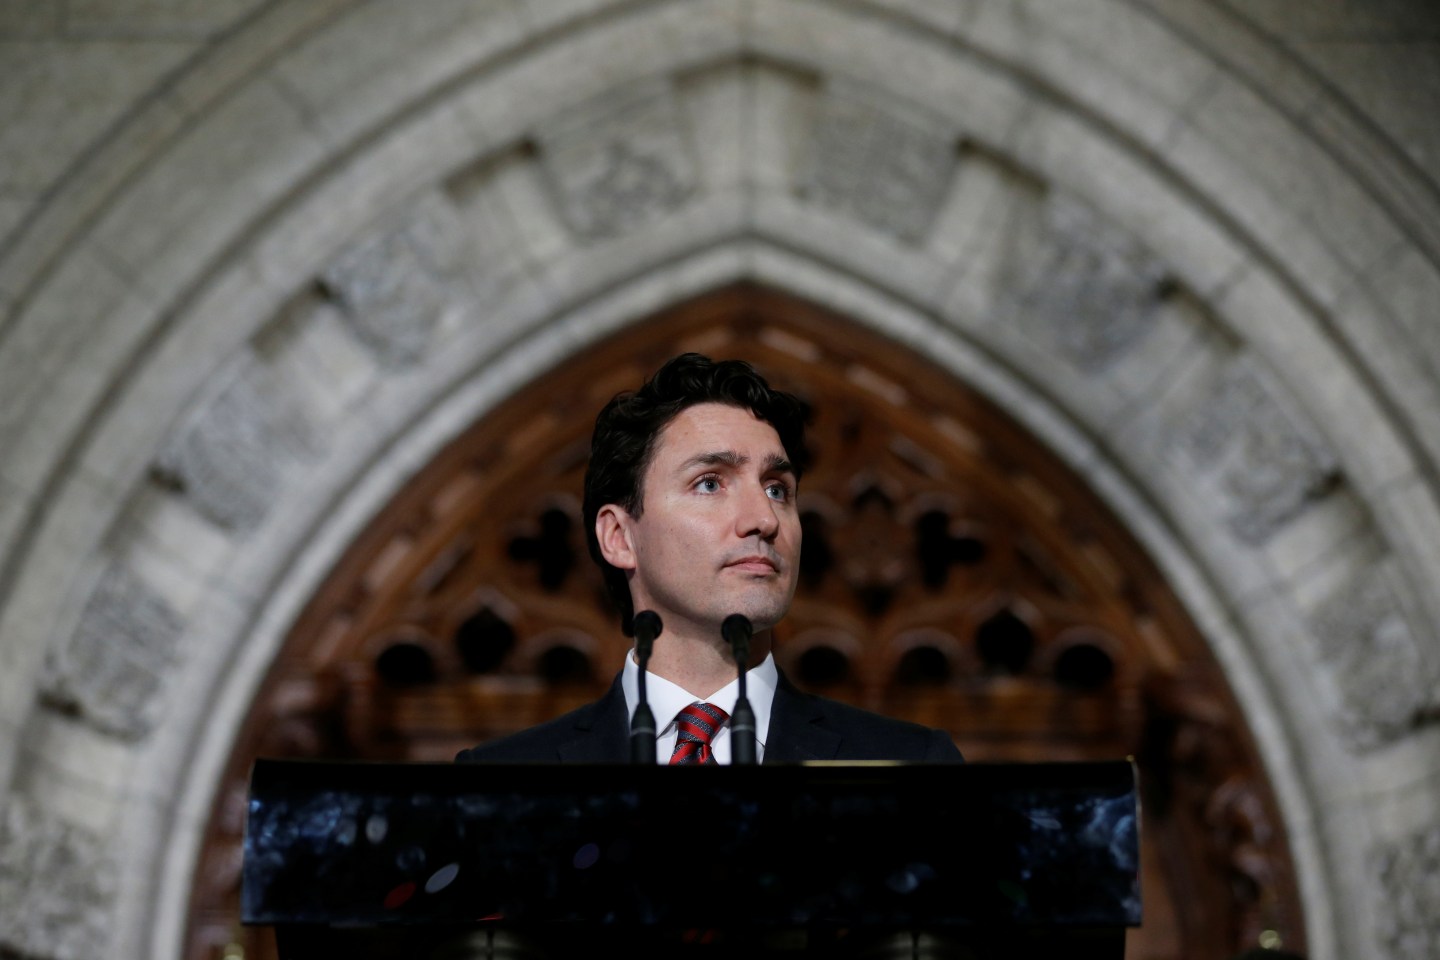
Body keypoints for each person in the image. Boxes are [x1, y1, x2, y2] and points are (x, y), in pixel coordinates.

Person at [457, 353, 961, 764]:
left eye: (778, 489)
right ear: (618, 536)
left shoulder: (911, 766)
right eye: (710, 483)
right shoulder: (505, 780)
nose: (763, 518)